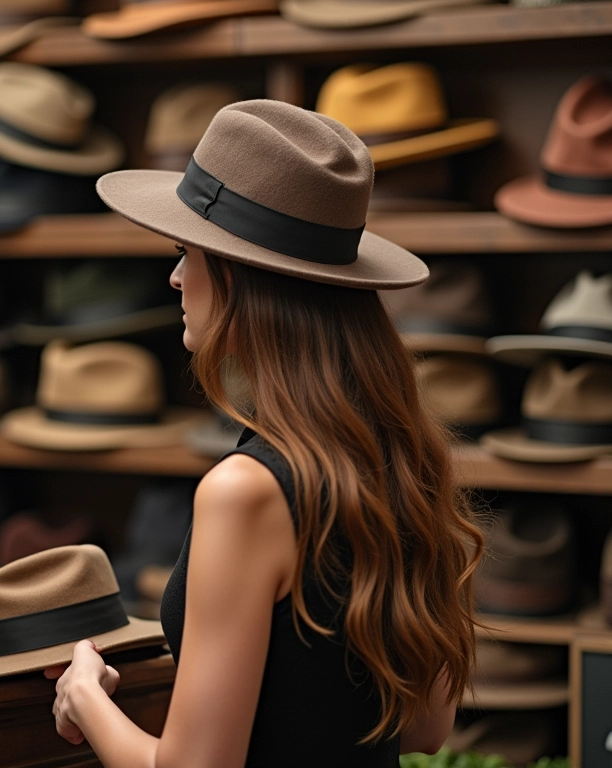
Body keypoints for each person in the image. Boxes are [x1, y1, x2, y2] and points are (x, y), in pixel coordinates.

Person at [45, 100, 485, 767]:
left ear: (238, 277)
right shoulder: (403, 462)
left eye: (184, 251)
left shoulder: (246, 491)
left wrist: (84, 698)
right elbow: (424, 730)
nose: (174, 276)